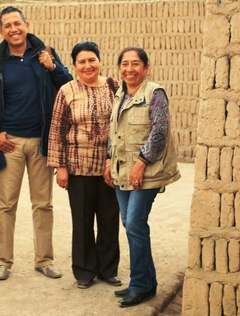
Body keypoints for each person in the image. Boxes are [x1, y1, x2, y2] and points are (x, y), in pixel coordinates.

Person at [0, 6, 72, 281]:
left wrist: (52, 67)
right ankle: (1, 261)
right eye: (7, 25)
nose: (13, 29)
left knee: (43, 204)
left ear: (26, 25)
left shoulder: (44, 55)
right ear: (0, 31)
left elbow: (68, 86)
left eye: (17, 23)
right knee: (5, 204)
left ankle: (45, 260)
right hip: (10, 144)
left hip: (41, 142)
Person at [103, 46, 180, 308]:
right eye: (125, 64)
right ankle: (146, 282)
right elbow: (113, 132)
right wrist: (107, 161)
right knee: (131, 224)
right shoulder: (119, 95)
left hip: (145, 173)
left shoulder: (154, 93)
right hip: (121, 170)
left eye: (135, 64)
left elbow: (159, 130)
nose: (129, 69)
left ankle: (139, 285)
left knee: (135, 223)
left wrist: (141, 163)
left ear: (145, 68)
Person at [47, 41, 121, 289]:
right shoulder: (67, 91)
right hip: (78, 167)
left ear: (99, 61)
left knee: (109, 219)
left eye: (92, 60)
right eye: (82, 61)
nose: (87, 65)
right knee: (82, 221)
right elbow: (56, 130)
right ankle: (84, 271)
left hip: (109, 167)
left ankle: (108, 269)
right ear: (75, 65)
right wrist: (61, 167)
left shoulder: (114, 87)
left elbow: (121, 126)